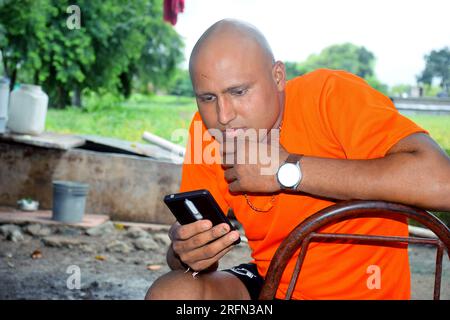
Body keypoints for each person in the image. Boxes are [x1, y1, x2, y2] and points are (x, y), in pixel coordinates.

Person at [146, 19, 450, 300]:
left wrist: (286, 170)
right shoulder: (205, 131)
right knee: (173, 293)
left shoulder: (331, 96)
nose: (224, 116)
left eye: (238, 91)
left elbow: (442, 183)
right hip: (274, 286)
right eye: (208, 98)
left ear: (278, 77)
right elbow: (191, 260)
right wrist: (185, 251)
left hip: (368, 292)